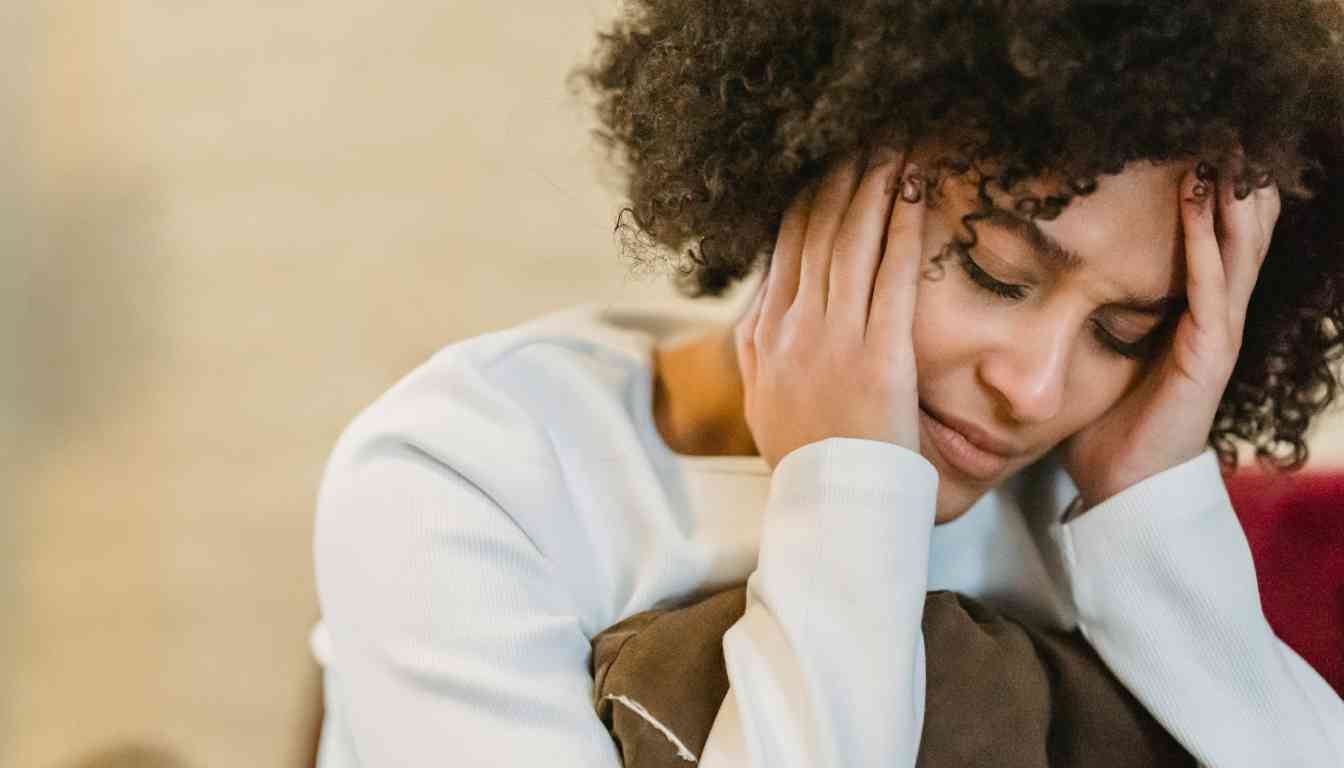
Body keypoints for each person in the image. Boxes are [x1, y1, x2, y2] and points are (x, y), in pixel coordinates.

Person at [308, 2, 1344, 765]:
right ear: (819, 156)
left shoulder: (1085, 521)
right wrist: (846, 489)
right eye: (998, 273)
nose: (1032, 388)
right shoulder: (467, 478)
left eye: (1124, 330)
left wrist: (1154, 504)